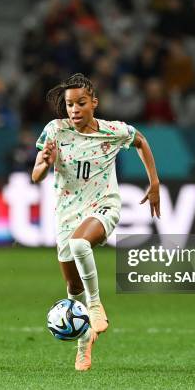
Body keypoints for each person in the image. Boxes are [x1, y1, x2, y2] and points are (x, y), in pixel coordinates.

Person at [32, 73, 160, 371]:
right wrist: (45, 162)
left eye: (80, 103)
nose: (74, 110)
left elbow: (140, 140)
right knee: (72, 285)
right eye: (69, 105)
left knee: (80, 243)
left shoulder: (113, 131)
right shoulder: (55, 130)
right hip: (66, 213)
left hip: (104, 205)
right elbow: (36, 174)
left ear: (94, 103)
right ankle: (83, 343)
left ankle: (95, 306)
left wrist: (154, 182)